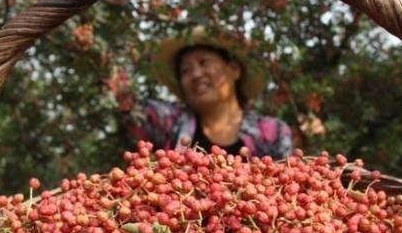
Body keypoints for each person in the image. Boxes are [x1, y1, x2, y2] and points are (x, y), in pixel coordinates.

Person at [120, 26, 292, 159]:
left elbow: (287, 189)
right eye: (186, 70)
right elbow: (133, 107)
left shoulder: (272, 131)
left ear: (234, 69)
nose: (196, 74)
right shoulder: (170, 123)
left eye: (204, 63)